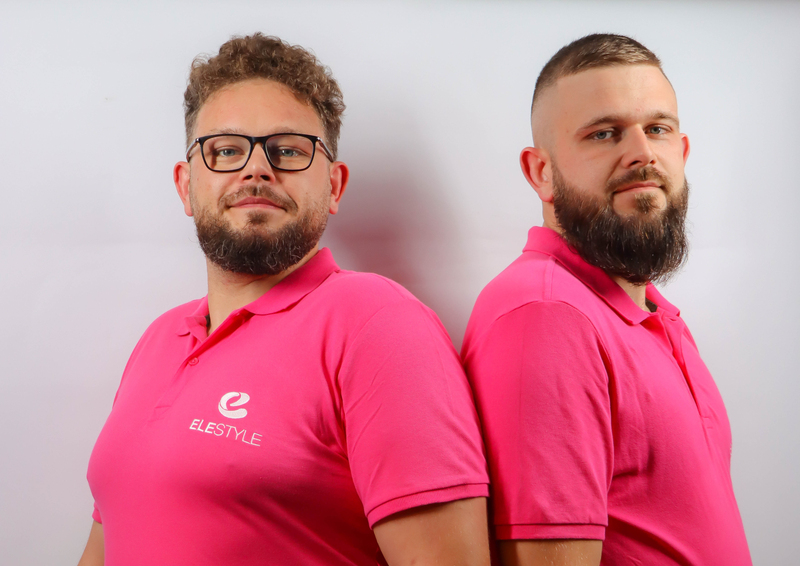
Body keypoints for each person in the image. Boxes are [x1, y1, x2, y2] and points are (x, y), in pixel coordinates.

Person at [79, 33, 490, 566]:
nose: (256, 169)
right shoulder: (157, 340)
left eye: (289, 150)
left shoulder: (378, 325)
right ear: (185, 186)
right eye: (226, 150)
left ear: (334, 186)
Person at [462, 34, 752, 566]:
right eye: (604, 133)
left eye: (658, 129)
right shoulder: (546, 316)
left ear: (682, 152)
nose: (642, 153)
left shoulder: (652, 312)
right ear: (541, 172)